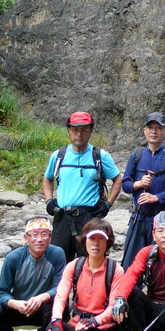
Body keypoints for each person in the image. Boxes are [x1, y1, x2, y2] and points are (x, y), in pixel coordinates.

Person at [42, 111, 122, 262]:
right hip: (62, 217)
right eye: (75, 130)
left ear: (90, 131)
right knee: (58, 262)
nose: (79, 134)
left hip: (89, 218)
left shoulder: (100, 156)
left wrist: (108, 204)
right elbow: (47, 179)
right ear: (69, 130)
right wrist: (48, 200)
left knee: (89, 262)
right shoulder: (59, 155)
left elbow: (118, 179)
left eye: (84, 130)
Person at [0, 217, 66, 331]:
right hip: (18, 306)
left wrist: (42, 297)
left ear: (50, 237)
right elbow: (2, 293)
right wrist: (15, 303)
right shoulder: (13, 258)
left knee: (62, 308)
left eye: (44, 234)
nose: (39, 239)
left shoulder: (57, 254)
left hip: (44, 307)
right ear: (25, 238)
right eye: (34, 235)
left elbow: (60, 288)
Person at [121, 111, 165, 269]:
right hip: (139, 219)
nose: (154, 132)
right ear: (144, 130)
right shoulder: (136, 155)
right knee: (131, 265)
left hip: (162, 222)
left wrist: (156, 197)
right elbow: (125, 184)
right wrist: (138, 184)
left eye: (158, 128)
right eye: (150, 128)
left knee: (160, 267)